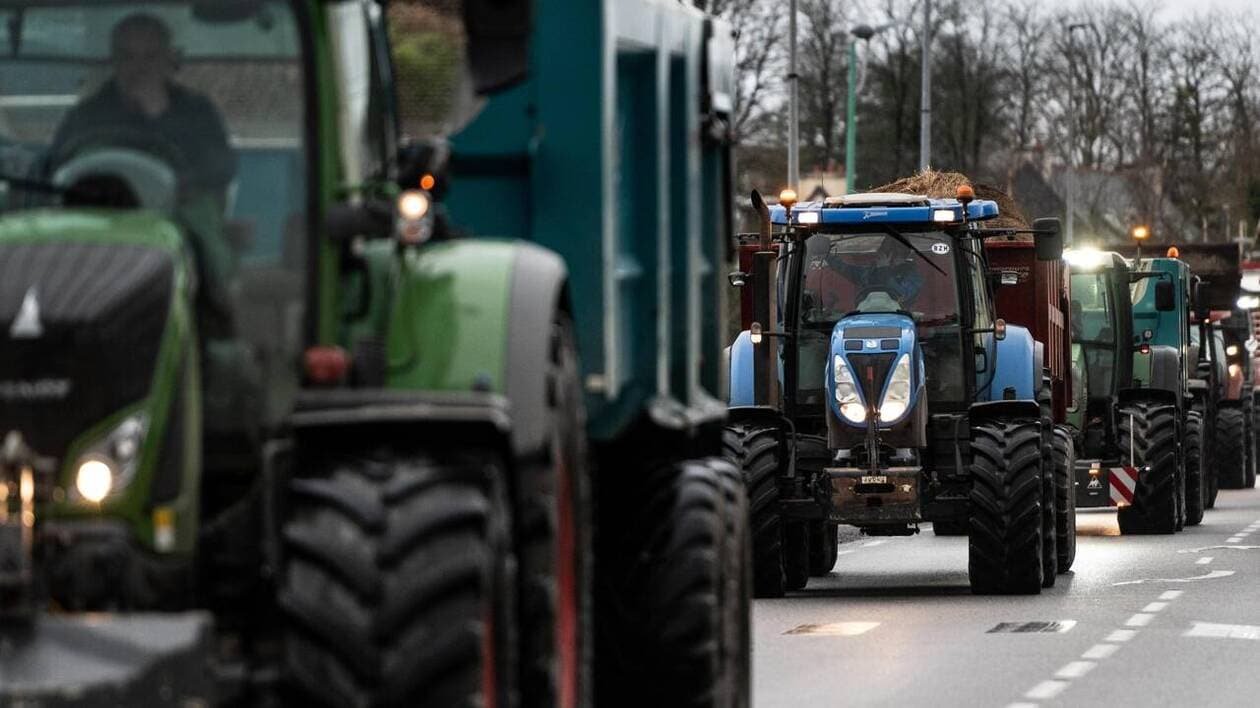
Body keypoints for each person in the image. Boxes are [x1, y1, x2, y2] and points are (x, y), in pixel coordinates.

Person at [51, 13, 238, 337]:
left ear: (169, 60)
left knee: (207, 253)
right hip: (95, 226)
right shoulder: (84, 117)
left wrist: (158, 114)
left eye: (150, 56)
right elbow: (54, 171)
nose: (139, 67)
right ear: (113, 62)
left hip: (180, 224)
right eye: (128, 56)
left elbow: (221, 168)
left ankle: (213, 336)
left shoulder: (197, 112)